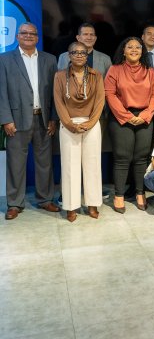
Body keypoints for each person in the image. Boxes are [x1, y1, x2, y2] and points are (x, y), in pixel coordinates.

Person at [0, 22, 60, 220]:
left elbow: (55, 93)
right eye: (24, 33)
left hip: (43, 119)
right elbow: (1, 92)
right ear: (17, 36)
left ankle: (45, 199)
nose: (28, 36)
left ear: (37, 37)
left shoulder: (49, 60)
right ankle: (14, 203)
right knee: (16, 164)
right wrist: (6, 120)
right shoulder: (4, 60)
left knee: (45, 163)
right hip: (16, 121)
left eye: (32, 33)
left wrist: (53, 118)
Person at [104, 37, 154, 213]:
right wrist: (127, 116)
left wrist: (145, 115)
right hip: (121, 117)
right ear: (124, 50)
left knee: (141, 158)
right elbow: (110, 94)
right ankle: (119, 195)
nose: (134, 50)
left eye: (138, 47)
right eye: (130, 47)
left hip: (144, 117)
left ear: (142, 51)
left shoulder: (149, 71)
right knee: (122, 158)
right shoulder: (115, 69)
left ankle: (140, 193)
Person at [54, 42, 105, 222]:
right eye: (75, 52)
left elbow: (100, 101)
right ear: (69, 55)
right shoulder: (60, 76)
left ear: (87, 56)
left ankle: (92, 204)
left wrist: (90, 123)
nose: (79, 55)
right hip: (69, 125)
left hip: (91, 124)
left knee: (93, 165)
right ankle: (71, 206)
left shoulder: (96, 75)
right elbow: (59, 102)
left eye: (83, 53)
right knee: (70, 166)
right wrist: (70, 124)